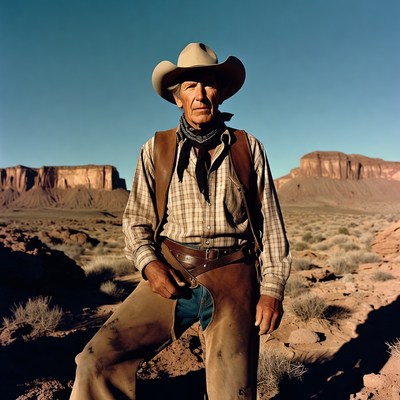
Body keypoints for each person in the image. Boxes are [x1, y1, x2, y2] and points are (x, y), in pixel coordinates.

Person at [70, 42, 291, 400]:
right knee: (95, 362)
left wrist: (271, 291)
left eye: (207, 84)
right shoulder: (155, 149)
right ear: (177, 98)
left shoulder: (247, 147)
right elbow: (136, 221)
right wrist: (149, 265)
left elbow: (271, 226)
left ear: (221, 92)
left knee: (233, 393)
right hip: (171, 273)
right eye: (190, 86)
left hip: (234, 277)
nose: (200, 94)